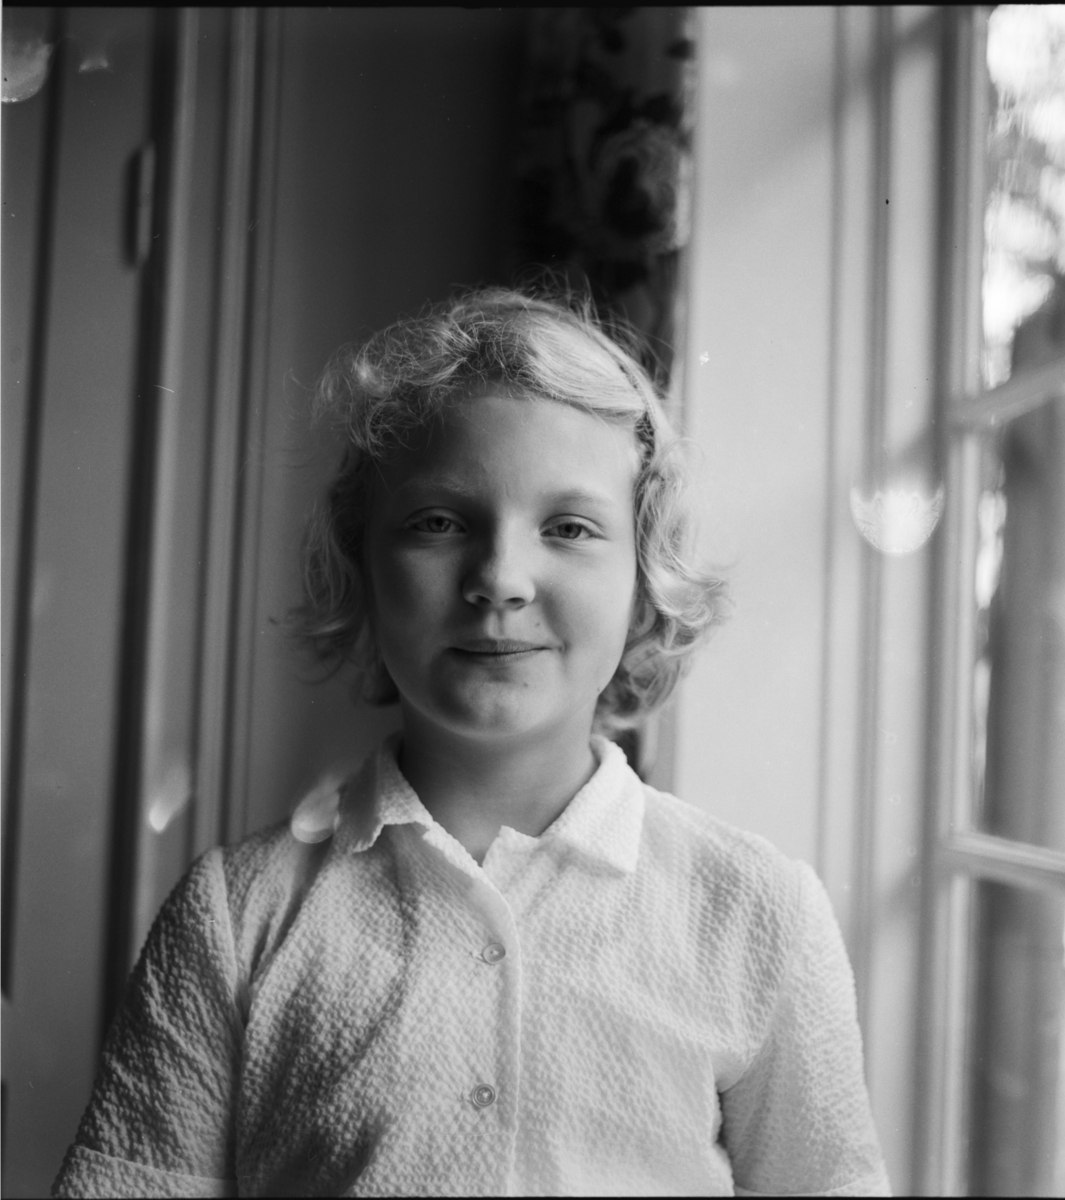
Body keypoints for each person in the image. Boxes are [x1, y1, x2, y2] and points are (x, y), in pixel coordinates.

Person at [53, 288, 891, 1197]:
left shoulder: (757, 915)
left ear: (646, 583)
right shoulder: (235, 916)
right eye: (440, 523)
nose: (500, 578)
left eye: (569, 528)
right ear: (362, 568)